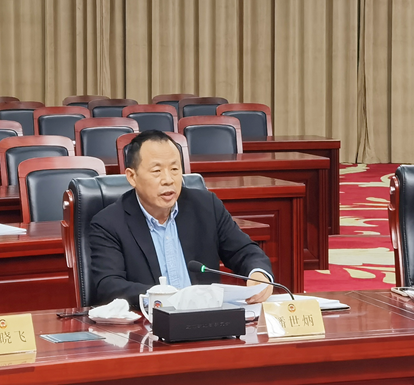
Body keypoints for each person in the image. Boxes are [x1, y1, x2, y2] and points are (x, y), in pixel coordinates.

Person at [88, 129, 275, 307]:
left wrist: (258, 273)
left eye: (175, 169)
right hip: (150, 322)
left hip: (207, 319)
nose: (168, 179)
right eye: (157, 171)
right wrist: (163, 297)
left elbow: (245, 251)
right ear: (132, 177)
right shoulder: (109, 223)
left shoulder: (206, 206)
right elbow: (108, 286)